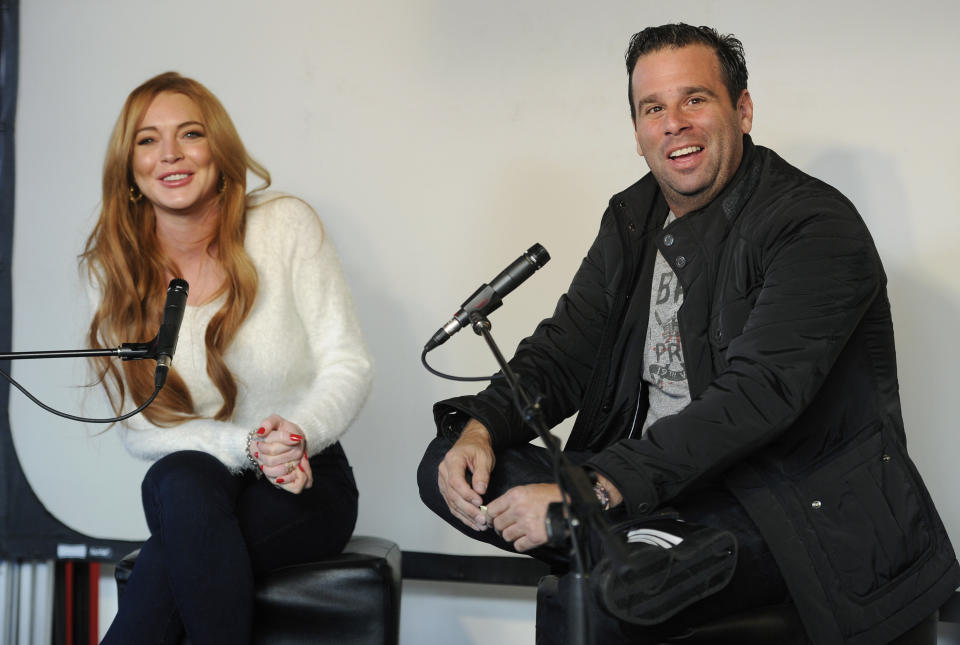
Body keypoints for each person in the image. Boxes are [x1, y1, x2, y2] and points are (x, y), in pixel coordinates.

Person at [418, 24, 959, 643]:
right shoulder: (633, 216)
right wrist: (483, 429)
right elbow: (564, 352)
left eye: (694, 99)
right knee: (445, 461)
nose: (674, 122)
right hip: (662, 491)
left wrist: (589, 493)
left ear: (743, 110)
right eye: (654, 108)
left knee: (622, 588)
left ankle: (627, 542)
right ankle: (634, 541)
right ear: (639, 132)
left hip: (782, 505)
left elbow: (756, 396)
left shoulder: (814, 225)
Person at [82, 72, 373, 644]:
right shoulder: (111, 268)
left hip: (304, 482)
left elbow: (348, 363)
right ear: (130, 166)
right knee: (180, 477)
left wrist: (295, 437)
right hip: (195, 484)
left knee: (176, 547)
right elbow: (142, 427)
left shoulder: (285, 224)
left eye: (190, 134)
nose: (170, 153)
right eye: (147, 139)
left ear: (219, 149)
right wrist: (246, 448)